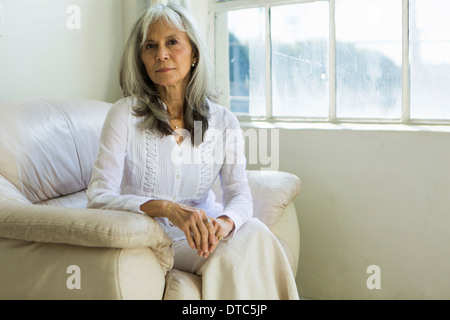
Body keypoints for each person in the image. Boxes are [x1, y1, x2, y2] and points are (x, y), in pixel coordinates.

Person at [86, 2, 299, 300]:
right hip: (155, 236)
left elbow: (239, 192)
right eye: (151, 46)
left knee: (258, 234)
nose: (161, 54)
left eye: (172, 42)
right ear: (142, 59)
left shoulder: (224, 120)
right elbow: (98, 197)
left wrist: (225, 223)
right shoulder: (124, 115)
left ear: (194, 53)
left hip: (207, 232)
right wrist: (167, 208)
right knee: (229, 256)